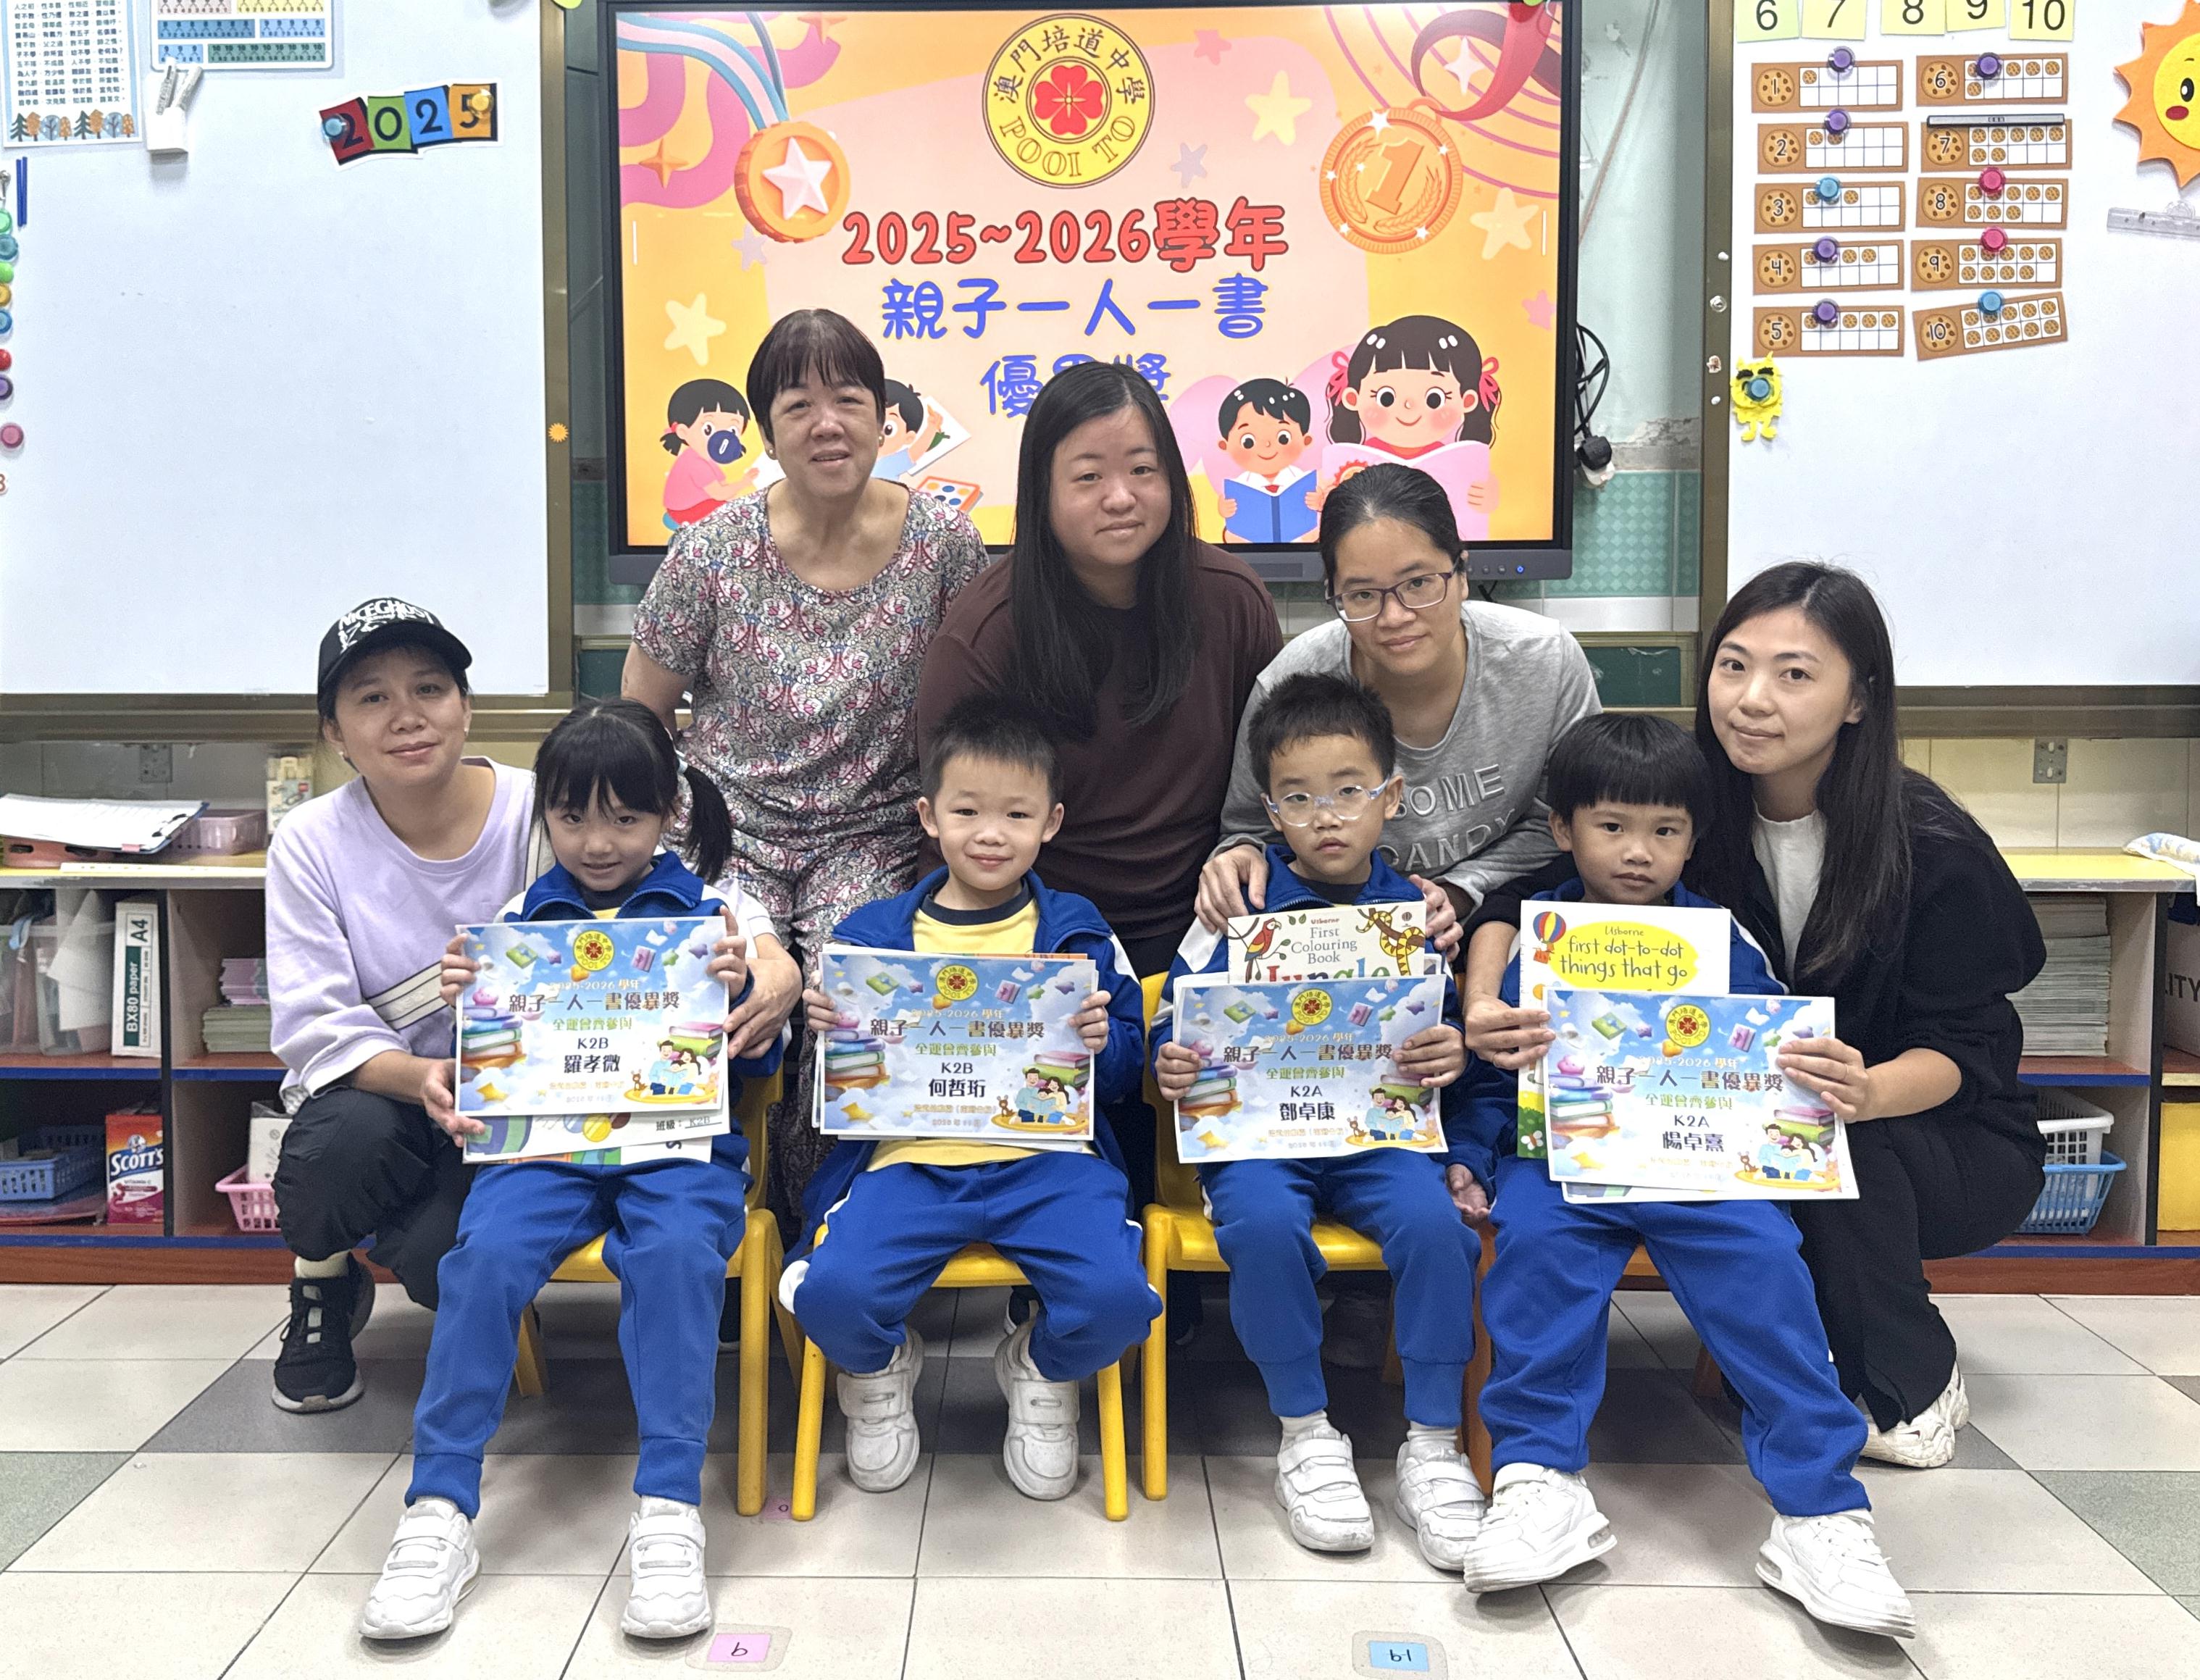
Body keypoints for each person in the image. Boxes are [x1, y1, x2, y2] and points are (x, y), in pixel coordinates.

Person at [1460, 563, 2046, 1471]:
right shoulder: (1692, 814)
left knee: (1835, 1143)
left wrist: (1867, 1088)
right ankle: (1784, 1358)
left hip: (1934, 1130)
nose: (1752, 699)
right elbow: (1527, 899)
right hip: (1742, 1109)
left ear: (1859, 701)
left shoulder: (1928, 844)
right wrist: (1483, 999)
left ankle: (1911, 1378)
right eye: (1733, 666)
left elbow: (1969, 1049)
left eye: (1794, 674)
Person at [1450, 711, 1913, 1637]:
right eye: (1612, 826)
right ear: (1562, 829)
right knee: (1534, 1250)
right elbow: (1491, 1080)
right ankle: (1538, 1480)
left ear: (1695, 839)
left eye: (1665, 830)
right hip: (1562, 1162)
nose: (1637, 852)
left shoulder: (1722, 937)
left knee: (1766, 1263)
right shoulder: (1532, 937)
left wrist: (1807, 1081)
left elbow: (1772, 1053)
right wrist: (1468, 1156)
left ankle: (1820, 1513)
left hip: (1700, 1164)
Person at [359, 700, 782, 1642]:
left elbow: (759, 1059)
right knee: (482, 1260)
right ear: (543, 814)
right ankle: (439, 1507)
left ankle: (668, 1505)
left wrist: (740, 990)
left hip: (676, 1149)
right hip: (543, 1152)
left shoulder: (717, 913)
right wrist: (472, 1009)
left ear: (668, 811)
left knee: (675, 1254)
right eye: (572, 816)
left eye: (625, 818)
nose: (597, 842)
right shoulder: (518, 920)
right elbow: (491, 1066)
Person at [624, 308, 990, 1215]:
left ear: (882, 417)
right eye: (798, 405)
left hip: (870, 834)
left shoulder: (945, 545)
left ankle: (819, 1229)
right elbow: (641, 714)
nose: (827, 424)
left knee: (848, 1006)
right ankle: (716, 1222)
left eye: (849, 400)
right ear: (768, 430)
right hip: (727, 830)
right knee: (719, 993)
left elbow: (974, 716)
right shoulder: (713, 551)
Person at [779, 698, 1158, 1502]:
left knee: (1120, 1301)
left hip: (1050, 1163)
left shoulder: (1079, 931)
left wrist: (1105, 1040)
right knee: (831, 1294)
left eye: (1016, 814)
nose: (991, 834)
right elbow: (841, 1094)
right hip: (909, 1164)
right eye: (967, 811)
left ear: (1051, 822)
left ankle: (1040, 1368)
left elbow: (1130, 1068)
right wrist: (828, 1035)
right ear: (928, 816)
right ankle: (880, 1367)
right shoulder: (871, 935)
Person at [1150, 674, 1485, 1568]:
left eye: (1348, 791)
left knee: (1437, 1230)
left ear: (1391, 795)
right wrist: (1169, 1057)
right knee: (1261, 1225)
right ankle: (1304, 1432)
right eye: (1297, 798)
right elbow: (1173, 1017)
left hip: (1380, 1139)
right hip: (1260, 1141)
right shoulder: (1236, 910)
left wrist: (1451, 1051)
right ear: (1270, 810)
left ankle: (1433, 1443)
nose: (1325, 817)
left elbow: (1448, 1030)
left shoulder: (1418, 919)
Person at [915, 359, 1283, 985]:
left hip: (1208, 917)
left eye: (1143, 470)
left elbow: (1276, 778)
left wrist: (1246, 852)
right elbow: (953, 827)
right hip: (1039, 926)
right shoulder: (984, 634)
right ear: (1042, 491)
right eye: (1088, 476)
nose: (1120, 497)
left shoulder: (1231, 600)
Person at [1197, 464, 1599, 947]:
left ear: (1462, 573)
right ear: (1333, 594)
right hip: (1336, 937)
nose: (1394, 616)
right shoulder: (1292, 683)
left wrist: (1461, 890)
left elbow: (1568, 819)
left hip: (1506, 916)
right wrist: (1238, 856)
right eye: (1362, 594)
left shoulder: (1545, 661)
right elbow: (1248, 826)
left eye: (1419, 583)